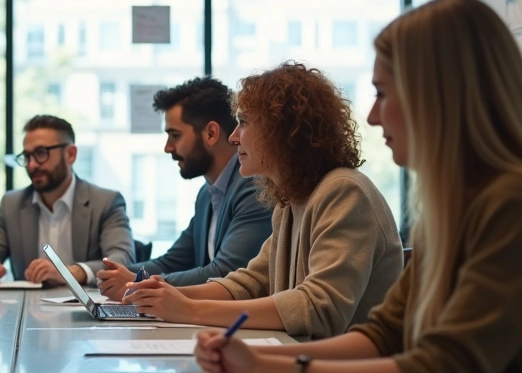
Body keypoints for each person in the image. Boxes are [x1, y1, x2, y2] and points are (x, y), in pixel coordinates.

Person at [196, 0, 522, 373]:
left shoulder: (519, 204)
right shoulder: (460, 203)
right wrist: (250, 361)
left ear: (438, 94)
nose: (373, 116)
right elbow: (384, 336)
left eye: (383, 93)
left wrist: (267, 369)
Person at [125, 62, 402, 338]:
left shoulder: (343, 191)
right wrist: (165, 297)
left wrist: (189, 310)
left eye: (243, 122)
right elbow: (250, 282)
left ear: (282, 130)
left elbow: (317, 307)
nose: (233, 137)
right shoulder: (290, 201)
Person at [97, 77, 273, 301]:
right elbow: (172, 261)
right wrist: (110, 275)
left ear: (211, 133)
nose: (168, 147)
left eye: (175, 135)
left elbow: (224, 274)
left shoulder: (254, 188)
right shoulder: (207, 194)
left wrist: (136, 282)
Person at [0, 114, 134, 286]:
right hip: (26, 309)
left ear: (70, 154)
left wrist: (70, 272)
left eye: (41, 153)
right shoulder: (12, 204)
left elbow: (123, 260)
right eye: (27, 156)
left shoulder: (105, 202)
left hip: (85, 309)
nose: (32, 165)